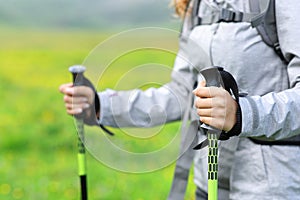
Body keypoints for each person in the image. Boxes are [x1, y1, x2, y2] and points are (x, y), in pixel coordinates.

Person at [59, 0, 300, 199]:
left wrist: (240, 114)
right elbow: (183, 94)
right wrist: (102, 105)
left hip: (273, 188)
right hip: (209, 184)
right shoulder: (199, 6)